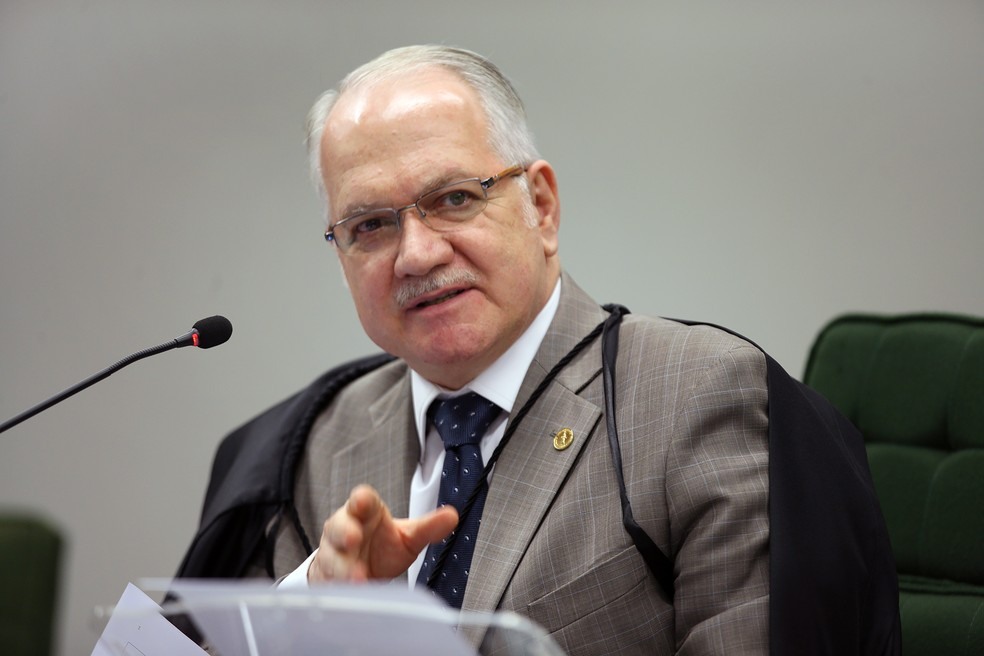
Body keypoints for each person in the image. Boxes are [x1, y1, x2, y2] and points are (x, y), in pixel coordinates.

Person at [176, 45, 900, 655]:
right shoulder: (310, 445)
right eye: (370, 225)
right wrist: (310, 613)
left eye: (455, 198)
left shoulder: (697, 399)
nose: (417, 254)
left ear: (541, 207)